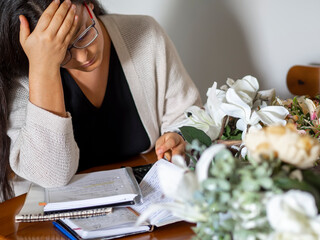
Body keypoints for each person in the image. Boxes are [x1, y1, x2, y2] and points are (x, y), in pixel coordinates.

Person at [0, 0, 201, 202]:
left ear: (88, 4)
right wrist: (43, 68)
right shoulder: (19, 79)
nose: (83, 55)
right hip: (48, 223)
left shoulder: (145, 34)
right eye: (62, 51)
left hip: (143, 207)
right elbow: (51, 176)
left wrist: (179, 137)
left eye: (84, 33)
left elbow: (192, 118)